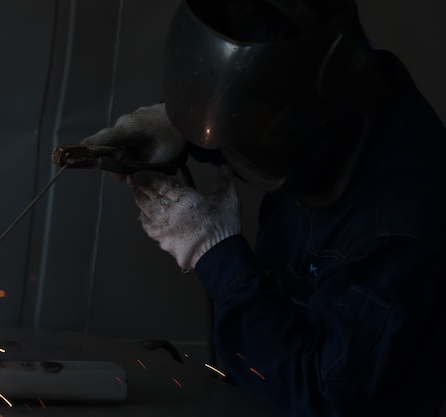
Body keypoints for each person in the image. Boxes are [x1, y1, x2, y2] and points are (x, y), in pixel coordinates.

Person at [74, 0, 446, 416]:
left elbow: (321, 394)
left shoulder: (398, 231)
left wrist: (212, 251)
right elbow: (268, 113)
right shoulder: (341, 99)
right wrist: (185, 126)